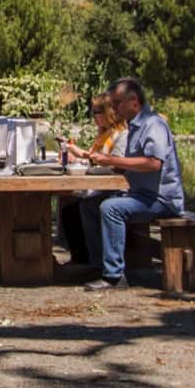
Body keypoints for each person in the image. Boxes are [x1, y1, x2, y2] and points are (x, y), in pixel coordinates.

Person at [73, 77, 185, 290]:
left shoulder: (153, 125)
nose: (114, 108)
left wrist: (112, 160)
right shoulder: (134, 127)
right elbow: (130, 165)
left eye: (117, 103)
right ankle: (98, 264)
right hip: (140, 194)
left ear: (134, 101)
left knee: (111, 208)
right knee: (89, 203)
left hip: (161, 199)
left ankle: (114, 276)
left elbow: (153, 163)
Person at [57, 93, 126, 266]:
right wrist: (77, 158)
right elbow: (93, 159)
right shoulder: (103, 135)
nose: (94, 116)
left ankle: (95, 261)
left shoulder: (120, 135)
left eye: (98, 112)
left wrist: (85, 167)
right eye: (93, 112)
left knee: (84, 207)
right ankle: (81, 259)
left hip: (114, 190)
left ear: (110, 112)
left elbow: (115, 166)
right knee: (68, 208)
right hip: (99, 186)